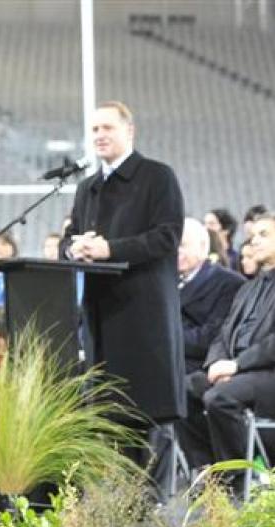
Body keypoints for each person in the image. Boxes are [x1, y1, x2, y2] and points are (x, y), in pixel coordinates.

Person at [62, 101, 186, 432]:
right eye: (94, 129)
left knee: (144, 420)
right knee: (106, 418)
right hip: (99, 313)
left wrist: (109, 249)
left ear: (129, 131)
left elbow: (167, 236)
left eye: (107, 128)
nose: (99, 135)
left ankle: (149, 487)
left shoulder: (158, 176)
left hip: (142, 313)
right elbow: (68, 236)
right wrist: (74, 249)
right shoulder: (87, 187)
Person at [178, 215, 275, 477]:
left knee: (219, 398)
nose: (254, 240)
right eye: (253, 235)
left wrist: (237, 365)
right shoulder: (248, 288)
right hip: (239, 373)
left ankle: (242, 475)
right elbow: (223, 335)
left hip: (267, 373)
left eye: (264, 234)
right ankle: (208, 470)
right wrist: (215, 366)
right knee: (185, 390)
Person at [178, 218, 245, 373]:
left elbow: (213, 337)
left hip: (197, 364)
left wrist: (165, 337)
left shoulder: (229, 283)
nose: (176, 251)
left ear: (203, 248)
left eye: (182, 245)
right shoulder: (168, 281)